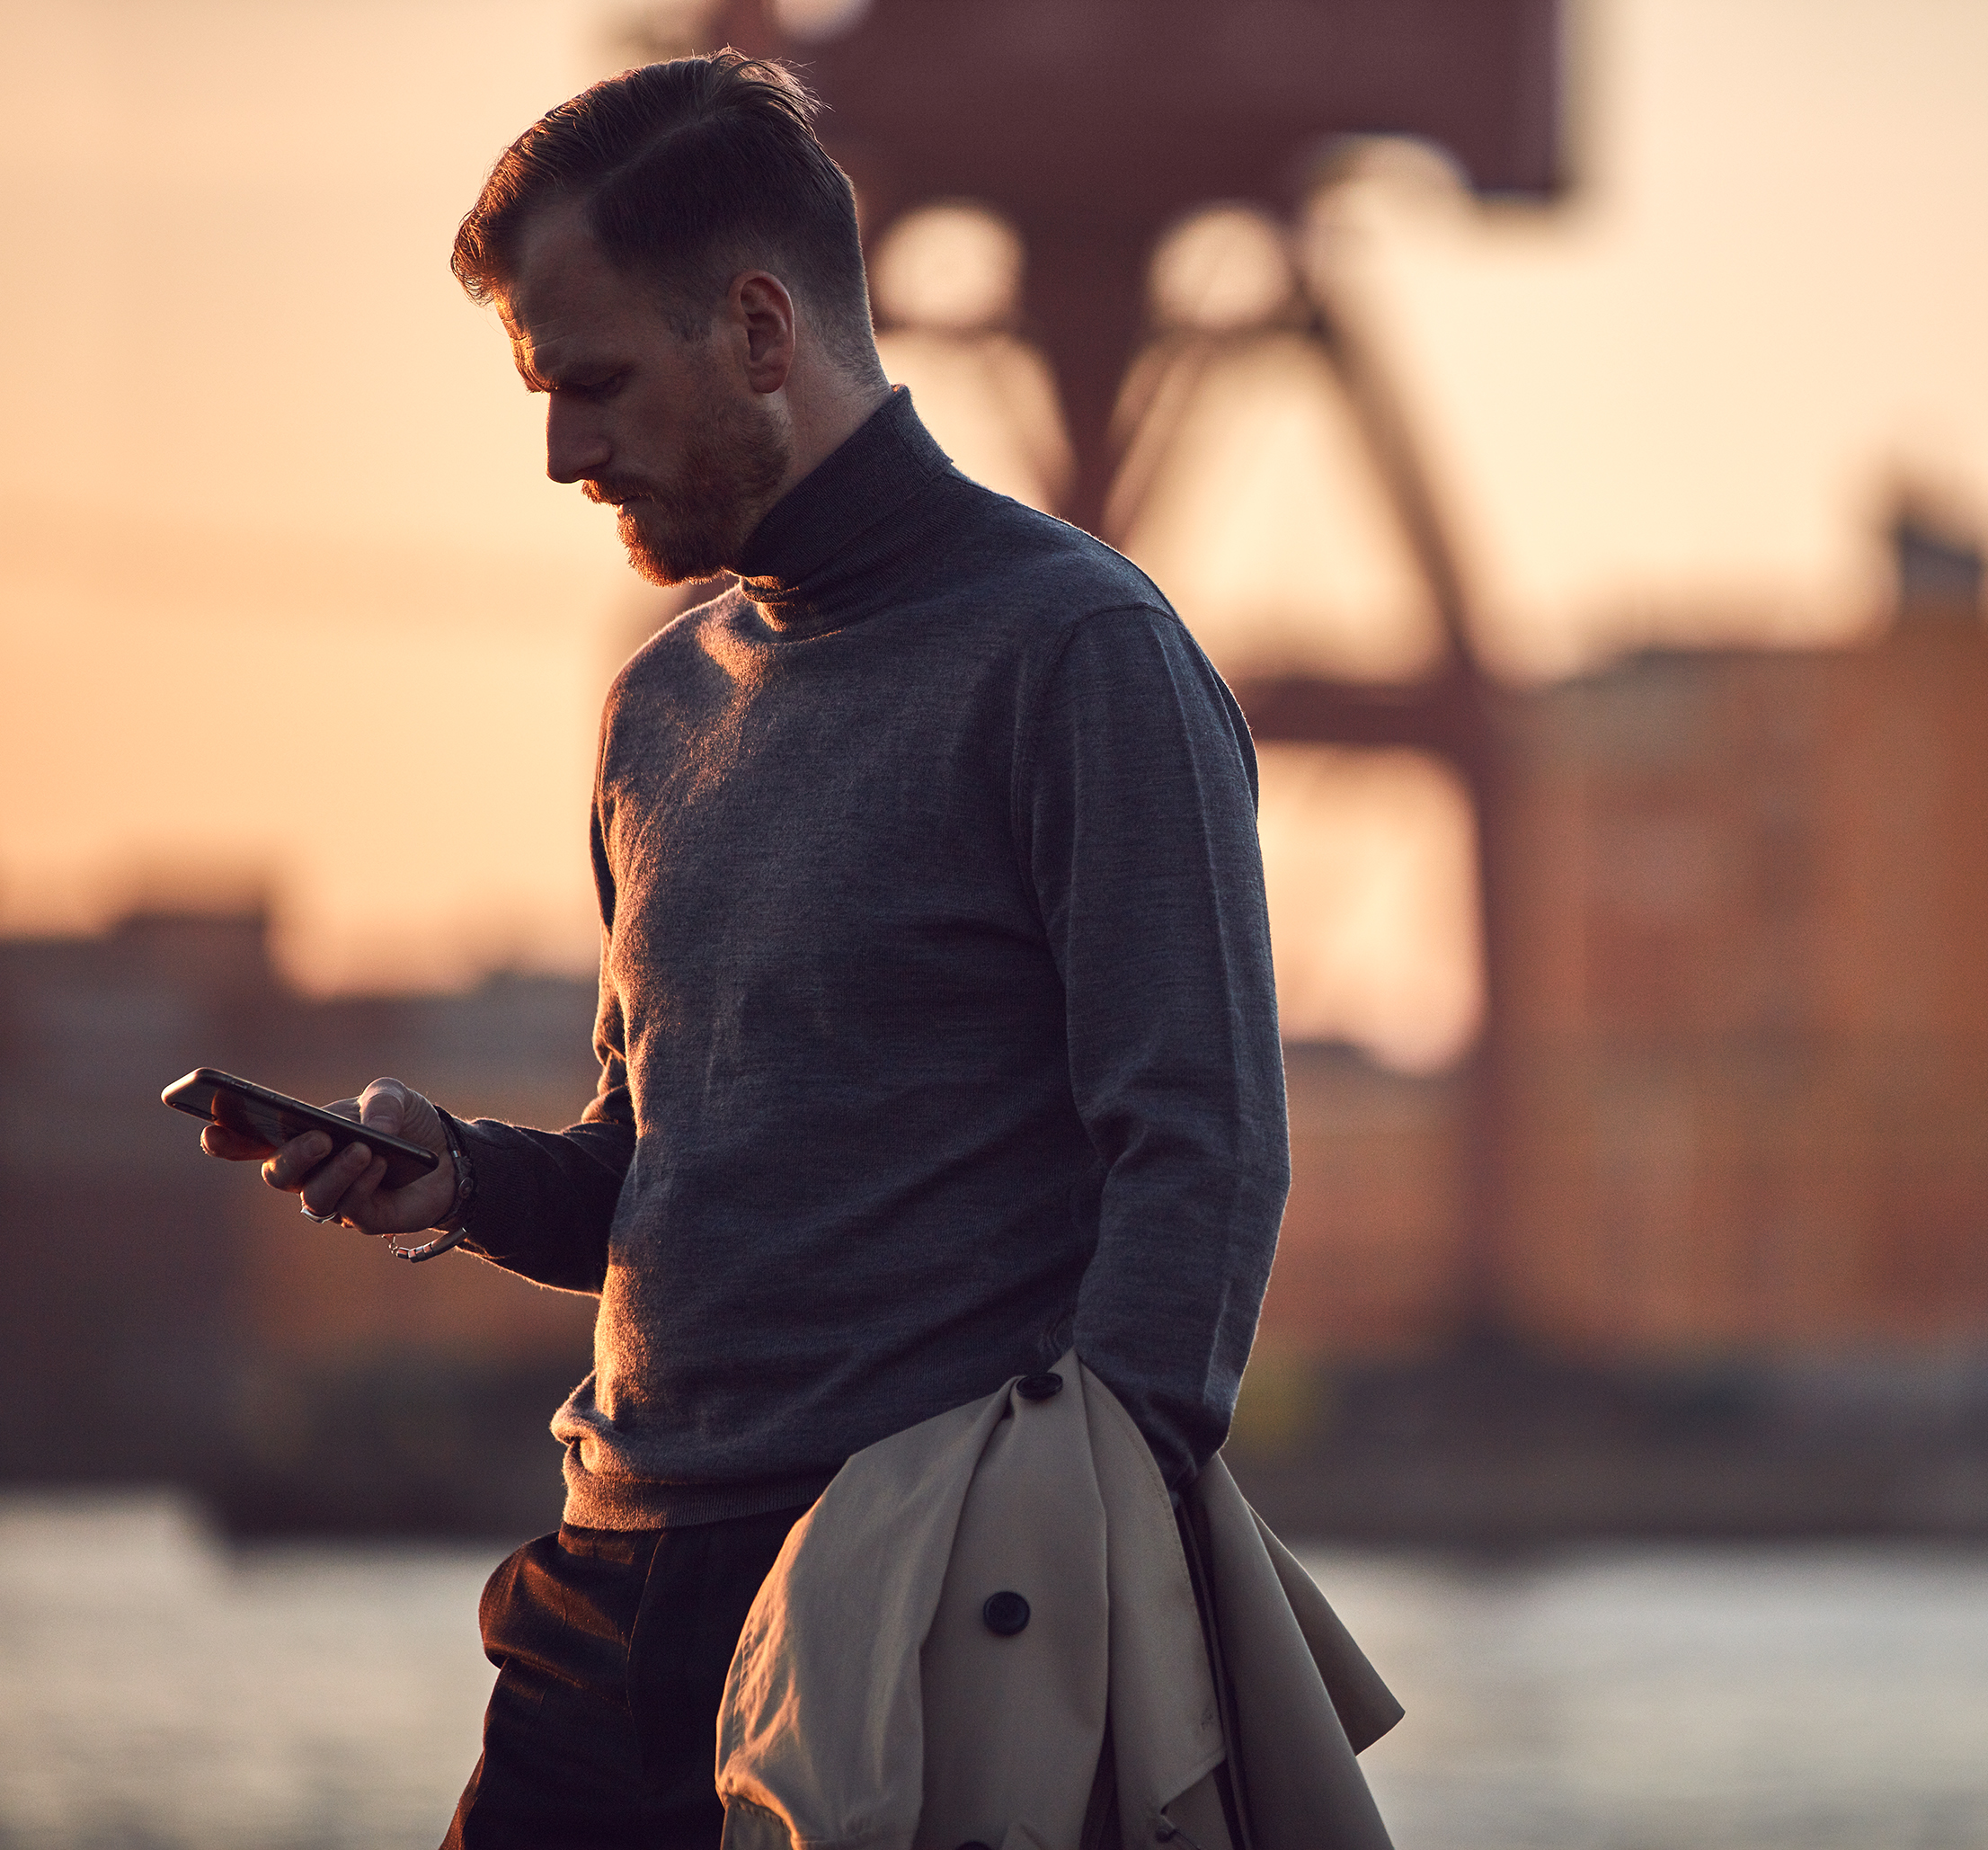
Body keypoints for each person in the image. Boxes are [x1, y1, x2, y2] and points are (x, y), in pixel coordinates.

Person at [198, 50, 1287, 1850]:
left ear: (764, 331)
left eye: (597, 385)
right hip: (597, 1610)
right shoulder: (653, 704)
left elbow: (1203, 1149)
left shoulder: (1083, 655)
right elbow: (658, 1174)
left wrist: (1058, 1562)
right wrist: (456, 1176)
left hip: (907, 1611)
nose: (559, 454)